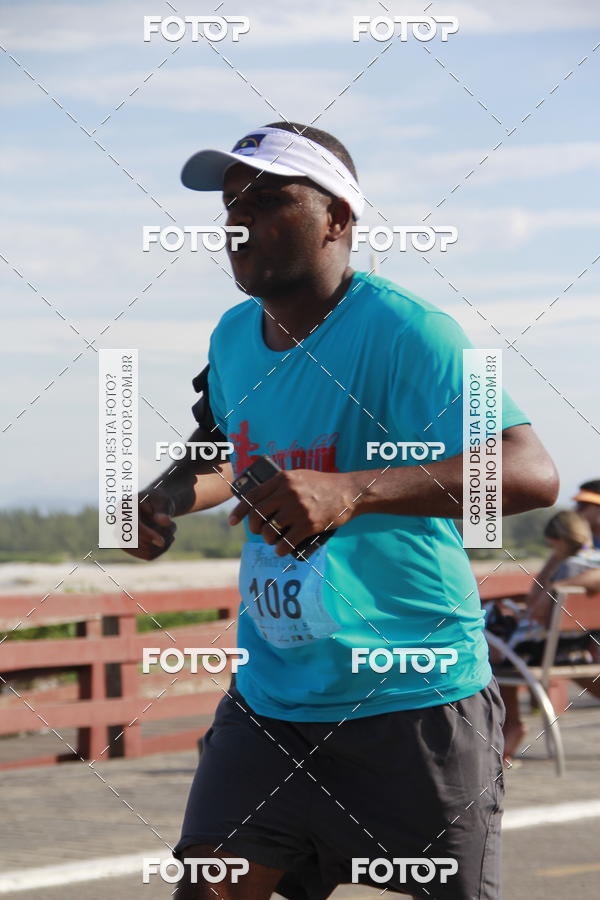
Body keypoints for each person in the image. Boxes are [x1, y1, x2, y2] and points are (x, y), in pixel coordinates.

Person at [126, 122, 558, 900]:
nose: (239, 219)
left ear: (339, 220)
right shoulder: (232, 338)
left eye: (268, 198)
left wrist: (348, 488)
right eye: (230, 203)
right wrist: (163, 498)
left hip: (410, 696)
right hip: (273, 700)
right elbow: (224, 446)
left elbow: (529, 473)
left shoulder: (408, 331)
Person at [495, 510, 600, 763]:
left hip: (548, 649)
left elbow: (537, 610)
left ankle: (512, 726)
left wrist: (553, 582)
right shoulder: (593, 560)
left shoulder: (567, 566)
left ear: (557, 539)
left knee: (495, 652)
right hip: (580, 647)